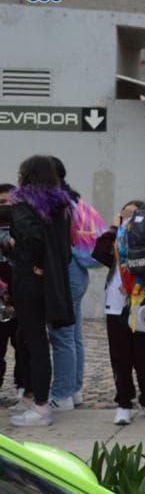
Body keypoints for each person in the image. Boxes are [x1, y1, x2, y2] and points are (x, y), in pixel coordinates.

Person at [5, 156, 73, 427]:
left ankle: (41, 405)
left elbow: (31, 239)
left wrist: (20, 252)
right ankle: (33, 398)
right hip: (50, 282)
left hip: (29, 281)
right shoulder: (60, 206)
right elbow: (63, 247)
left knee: (34, 341)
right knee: (30, 338)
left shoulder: (23, 204)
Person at [92, 200, 145, 426]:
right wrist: (113, 229)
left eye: (134, 217)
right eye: (124, 216)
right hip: (116, 305)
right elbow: (98, 253)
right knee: (120, 357)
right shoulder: (115, 242)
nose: (129, 221)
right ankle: (124, 403)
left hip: (142, 303)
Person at [46, 157, 90, 412]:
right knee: (73, 334)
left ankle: (61, 394)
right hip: (79, 271)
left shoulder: (56, 204)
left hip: (65, 270)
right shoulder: (74, 199)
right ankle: (74, 391)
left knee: (61, 333)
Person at [0, 183, 20, 396]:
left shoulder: (24, 227)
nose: (5, 207)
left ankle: (23, 386)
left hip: (21, 292)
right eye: (1, 203)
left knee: (22, 344)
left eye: (10, 202)